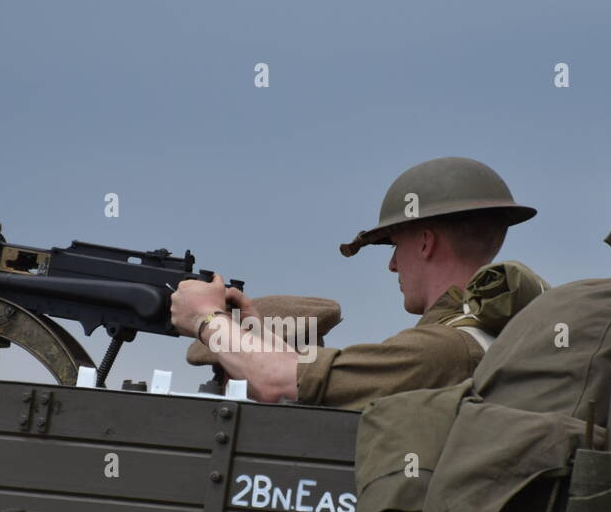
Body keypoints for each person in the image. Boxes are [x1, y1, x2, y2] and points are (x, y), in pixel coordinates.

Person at [169, 157, 546, 410]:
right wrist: (251, 333)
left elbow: (276, 382)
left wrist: (207, 320)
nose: (393, 265)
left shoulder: (444, 349)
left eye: (396, 246)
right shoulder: (504, 334)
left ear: (427, 243)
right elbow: (302, 376)